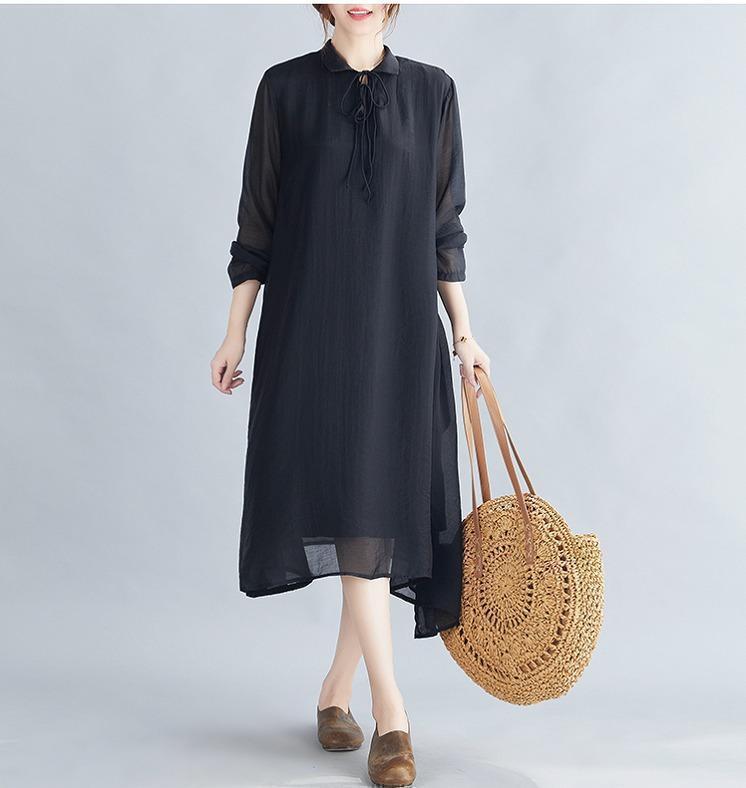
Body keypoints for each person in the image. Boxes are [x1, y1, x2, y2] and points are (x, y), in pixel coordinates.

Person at [210, 5, 489, 786]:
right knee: (352, 506)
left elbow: (444, 225)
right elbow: (258, 223)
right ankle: (391, 715)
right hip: (312, 332)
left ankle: (337, 691)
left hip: (400, 331)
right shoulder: (285, 90)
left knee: (368, 510)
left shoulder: (433, 91)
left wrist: (465, 332)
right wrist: (234, 332)